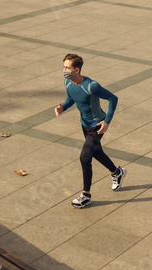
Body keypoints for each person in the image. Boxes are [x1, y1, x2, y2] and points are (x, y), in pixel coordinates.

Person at [55, 53, 126, 208]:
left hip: (96, 126)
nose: (64, 70)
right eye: (64, 67)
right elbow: (71, 99)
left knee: (85, 158)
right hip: (84, 124)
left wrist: (106, 122)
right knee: (96, 152)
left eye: (67, 67)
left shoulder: (91, 86)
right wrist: (63, 108)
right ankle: (117, 172)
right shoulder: (68, 83)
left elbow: (113, 98)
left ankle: (86, 195)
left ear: (76, 70)